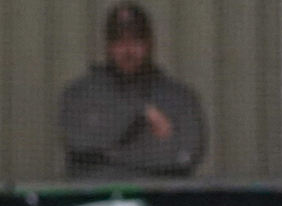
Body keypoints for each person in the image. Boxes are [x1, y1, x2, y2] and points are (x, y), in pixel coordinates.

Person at [59, 3, 205, 178]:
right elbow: (79, 144)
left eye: (136, 40)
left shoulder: (179, 97)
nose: (128, 50)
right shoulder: (80, 94)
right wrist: (141, 113)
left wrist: (109, 152)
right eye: (119, 41)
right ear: (107, 45)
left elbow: (186, 156)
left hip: (159, 198)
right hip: (99, 199)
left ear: (150, 43)